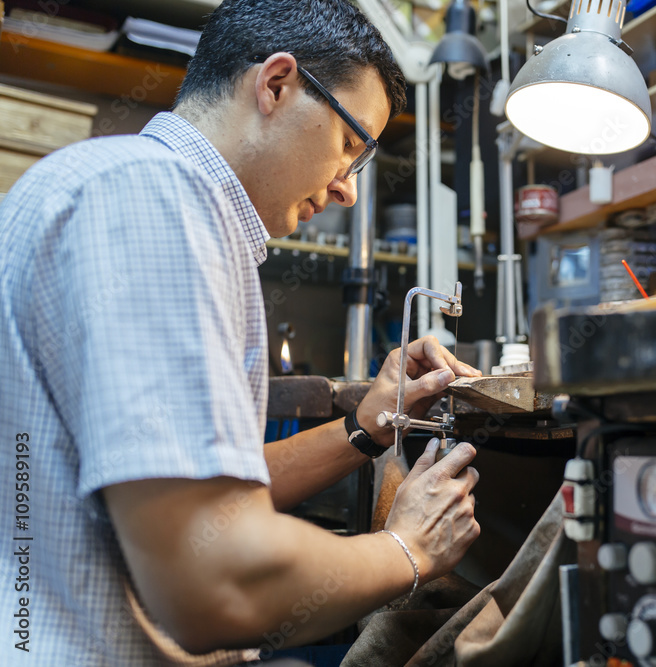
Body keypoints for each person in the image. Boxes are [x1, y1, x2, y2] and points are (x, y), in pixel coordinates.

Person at [0, 0, 482, 663]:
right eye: (350, 146)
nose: (347, 190)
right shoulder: (154, 200)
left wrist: (365, 426)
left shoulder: (128, 188)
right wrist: (409, 550)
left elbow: (210, 492)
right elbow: (215, 582)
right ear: (276, 84)